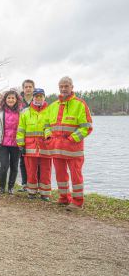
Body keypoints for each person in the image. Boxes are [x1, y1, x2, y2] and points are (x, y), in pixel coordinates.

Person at [45, 76, 93, 210]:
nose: (63, 89)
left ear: (72, 87)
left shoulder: (80, 104)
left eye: (66, 86)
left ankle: (78, 202)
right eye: (61, 86)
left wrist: (72, 139)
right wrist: (49, 138)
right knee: (60, 175)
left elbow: (87, 127)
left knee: (76, 175)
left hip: (74, 149)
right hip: (56, 148)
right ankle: (64, 198)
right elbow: (46, 125)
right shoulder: (53, 106)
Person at [16, 88, 52, 201]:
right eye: (36, 96)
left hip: (46, 146)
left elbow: (52, 127)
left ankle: (45, 193)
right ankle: (31, 192)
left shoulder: (50, 110)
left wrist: (50, 138)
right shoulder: (25, 112)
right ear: (33, 97)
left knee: (46, 171)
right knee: (31, 171)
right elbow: (21, 129)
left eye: (41, 96)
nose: (38, 98)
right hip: (30, 147)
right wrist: (21, 144)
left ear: (44, 97)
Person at [0, 90, 22, 195]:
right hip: (2, 143)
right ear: (5, 99)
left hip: (16, 144)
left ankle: (11, 187)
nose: (11, 100)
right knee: (4, 165)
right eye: (9, 98)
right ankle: (1, 187)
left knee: (14, 166)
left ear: (16, 99)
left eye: (13, 98)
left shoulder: (21, 111)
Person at [18, 79, 35, 192]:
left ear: (33, 88)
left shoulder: (38, 99)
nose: (28, 89)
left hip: (35, 136)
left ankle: (34, 184)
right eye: (26, 87)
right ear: (23, 89)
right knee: (22, 160)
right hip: (21, 134)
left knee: (35, 162)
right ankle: (24, 184)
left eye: (30, 87)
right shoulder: (19, 101)